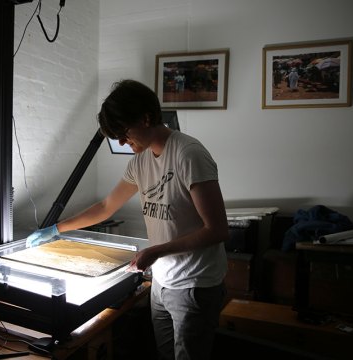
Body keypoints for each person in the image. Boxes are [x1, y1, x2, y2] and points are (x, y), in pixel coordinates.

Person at [26, 79, 229, 360]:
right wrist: (55, 229)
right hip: (163, 281)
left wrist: (157, 250)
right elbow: (106, 206)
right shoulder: (140, 161)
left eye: (123, 132)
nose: (122, 141)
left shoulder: (189, 154)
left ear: (146, 118)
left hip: (195, 285)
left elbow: (217, 230)